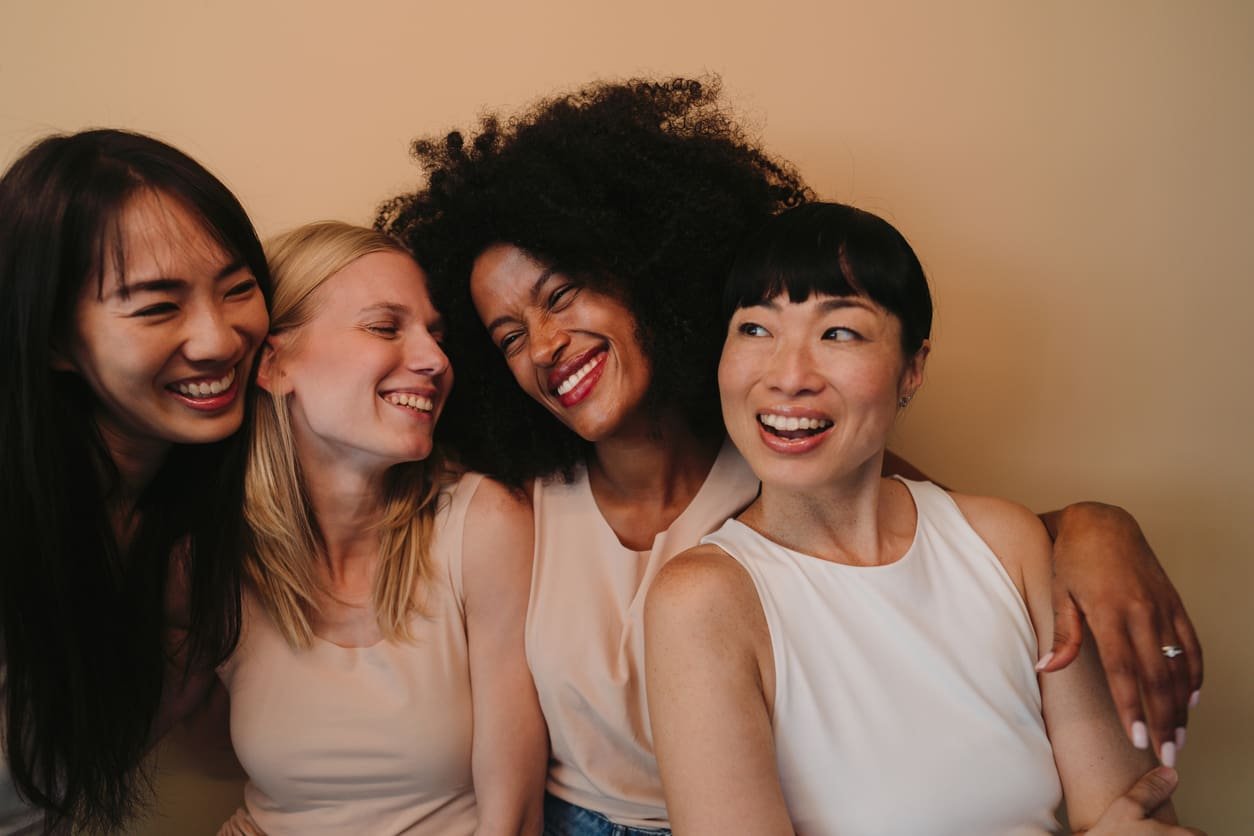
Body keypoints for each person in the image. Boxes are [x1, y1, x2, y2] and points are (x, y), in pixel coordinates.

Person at [377, 77, 1201, 834]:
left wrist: (1100, 525)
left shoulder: (786, 453)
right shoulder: (516, 501)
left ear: (643, 273)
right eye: (509, 337)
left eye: (560, 295)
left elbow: (954, 550)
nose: (545, 345)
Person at [645, 201, 1204, 835]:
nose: (788, 375)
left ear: (912, 368)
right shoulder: (702, 602)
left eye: (839, 333)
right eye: (754, 328)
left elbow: (1142, 821)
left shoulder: (1007, 544)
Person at [215, 222, 546, 836]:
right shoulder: (212, 560)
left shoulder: (483, 525)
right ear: (274, 364)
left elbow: (516, 817)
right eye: (385, 327)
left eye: (436, 334)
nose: (435, 360)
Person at [0, 129, 271, 833]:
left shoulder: (191, 518)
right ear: (54, 339)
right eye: (157, 307)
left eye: (238, 289)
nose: (219, 339)